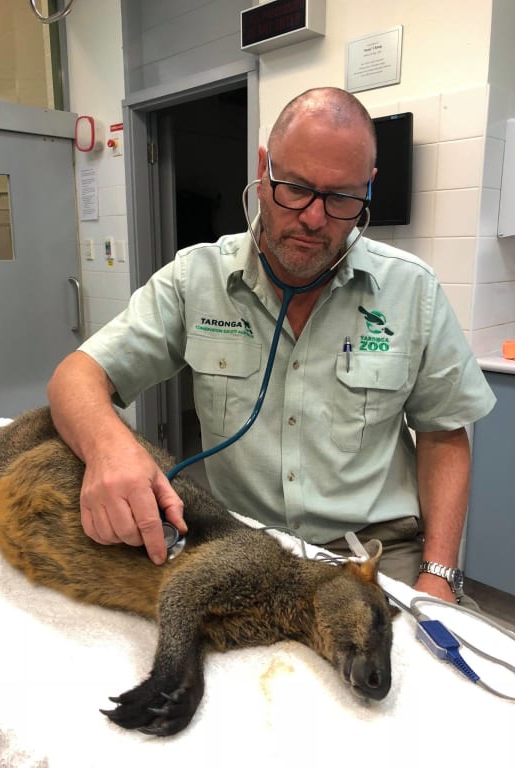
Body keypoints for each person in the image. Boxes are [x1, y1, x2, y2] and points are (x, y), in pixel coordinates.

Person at [47, 87, 495, 604]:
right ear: (263, 171)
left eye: (341, 198)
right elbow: (75, 378)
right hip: (245, 547)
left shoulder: (411, 289)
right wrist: (110, 450)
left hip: (376, 551)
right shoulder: (197, 278)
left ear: (368, 189)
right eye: (296, 188)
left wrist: (438, 573)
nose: (313, 217)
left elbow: (444, 435)